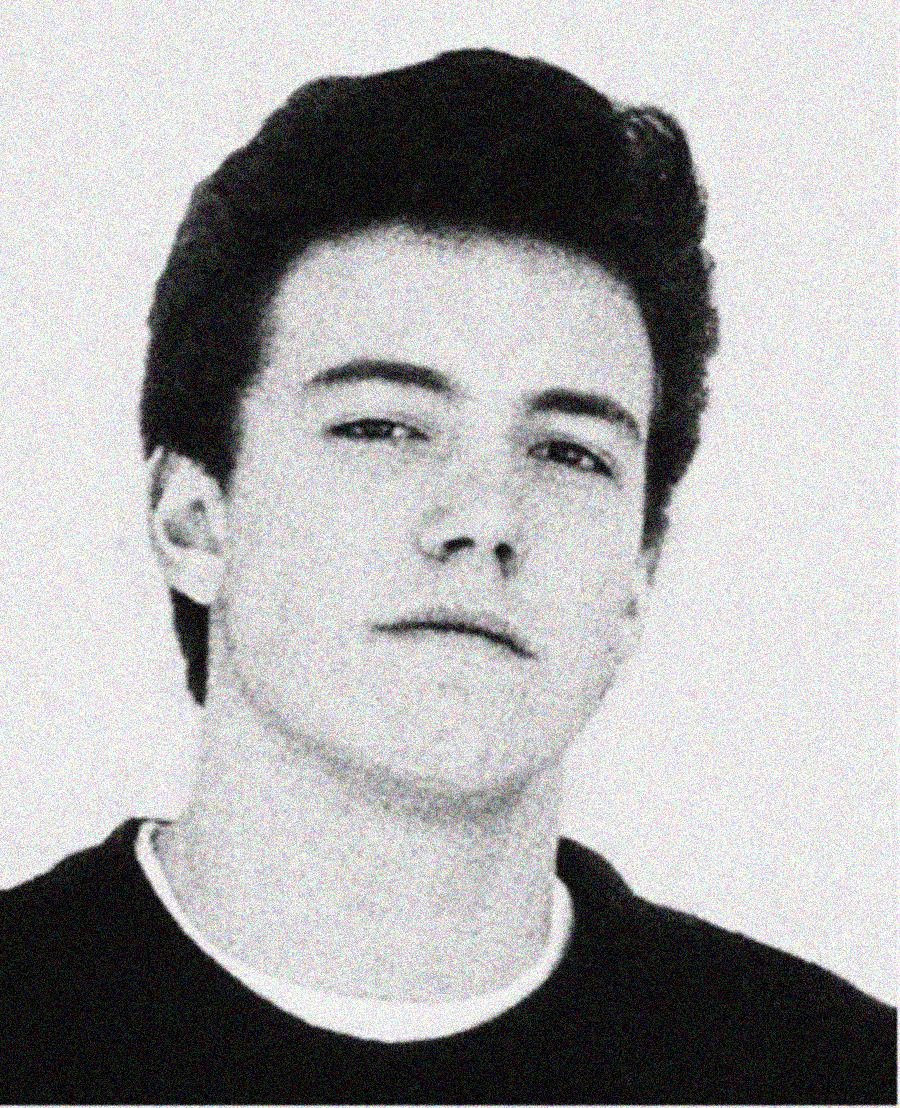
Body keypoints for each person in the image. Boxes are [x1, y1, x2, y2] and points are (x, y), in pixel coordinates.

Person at [0, 47, 894, 1105]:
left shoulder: (830, 1074)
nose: (483, 519)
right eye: (382, 426)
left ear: (638, 578)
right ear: (193, 521)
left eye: (570, 451)